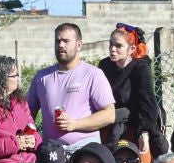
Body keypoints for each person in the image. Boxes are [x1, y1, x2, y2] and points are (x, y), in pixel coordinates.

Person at [26, 23, 115, 153]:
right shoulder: (42, 77)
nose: (61, 45)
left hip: (86, 151)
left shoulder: (93, 74)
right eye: (58, 41)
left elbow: (109, 114)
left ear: (79, 45)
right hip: (52, 154)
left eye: (66, 41)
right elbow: (28, 114)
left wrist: (75, 124)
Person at [99, 24, 163, 159]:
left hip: (136, 125)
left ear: (131, 49)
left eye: (118, 46)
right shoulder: (105, 66)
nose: (113, 49)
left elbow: (147, 102)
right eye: (111, 44)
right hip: (110, 124)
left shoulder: (140, 67)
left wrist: (144, 132)